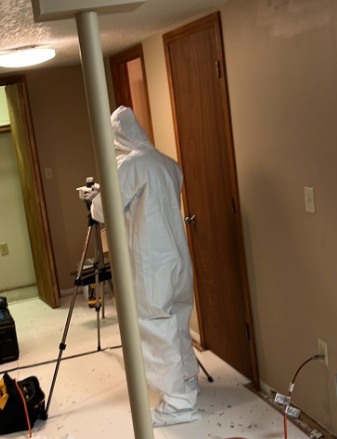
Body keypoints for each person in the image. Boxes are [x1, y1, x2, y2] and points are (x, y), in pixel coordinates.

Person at [88, 106, 200, 426]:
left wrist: (96, 195)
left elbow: (101, 210)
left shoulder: (130, 165)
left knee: (155, 328)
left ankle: (178, 404)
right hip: (178, 259)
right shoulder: (168, 163)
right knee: (177, 323)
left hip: (152, 265)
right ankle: (187, 382)